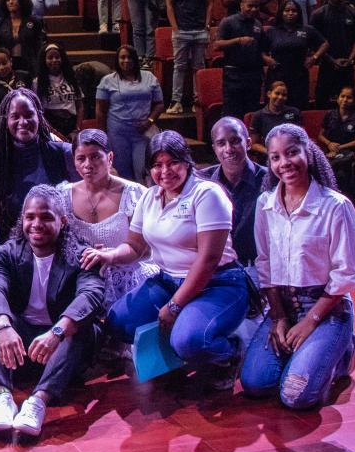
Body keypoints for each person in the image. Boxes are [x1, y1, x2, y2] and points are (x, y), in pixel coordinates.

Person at [84, 131, 251, 390]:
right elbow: (135, 246)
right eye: (157, 165)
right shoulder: (151, 196)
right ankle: (182, 347)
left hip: (217, 283)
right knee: (118, 321)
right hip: (167, 279)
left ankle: (229, 354)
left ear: (187, 161)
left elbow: (208, 260)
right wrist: (110, 254)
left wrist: (174, 306)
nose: (165, 171)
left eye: (172, 162)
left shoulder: (207, 194)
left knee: (190, 341)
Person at [240, 124, 355, 409]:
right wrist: (280, 317)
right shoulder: (265, 204)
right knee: (255, 384)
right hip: (284, 306)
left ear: (308, 151)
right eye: (275, 157)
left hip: (327, 309)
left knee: (295, 396)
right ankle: (310, 357)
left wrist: (311, 322)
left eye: (292, 153)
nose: (284, 164)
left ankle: (342, 354)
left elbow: (346, 275)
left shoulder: (336, 206)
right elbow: (265, 265)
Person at [0, 184, 105, 437]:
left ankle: (38, 401)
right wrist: (4, 327)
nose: (36, 224)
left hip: (60, 345)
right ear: (23, 219)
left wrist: (57, 332)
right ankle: (2, 396)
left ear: (62, 221)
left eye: (46, 217)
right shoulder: (8, 253)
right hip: (22, 341)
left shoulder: (81, 255)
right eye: (30, 217)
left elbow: (91, 295)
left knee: (83, 328)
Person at [57, 129, 156, 312]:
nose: (88, 165)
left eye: (95, 157)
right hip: (80, 281)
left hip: (128, 280)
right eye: (81, 159)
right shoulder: (62, 196)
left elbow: (145, 249)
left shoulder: (135, 194)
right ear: (74, 162)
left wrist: (112, 255)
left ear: (110, 158)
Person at [0, 88, 75, 233]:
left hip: (57, 240)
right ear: (6, 121)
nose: (23, 122)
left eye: (29, 115)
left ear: (39, 117)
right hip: (9, 246)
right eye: (15, 116)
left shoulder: (62, 153)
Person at [199, 117, 269, 274]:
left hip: (260, 268)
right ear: (214, 148)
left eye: (235, 141)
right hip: (216, 269)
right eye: (221, 143)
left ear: (249, 143)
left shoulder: (270, 180)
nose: (228, 149)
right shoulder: (202, 182)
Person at [163, 0, 217, 114]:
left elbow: (210, 4)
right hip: (181, 30)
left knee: (198, 67)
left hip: (200, 30)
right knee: (179, 66)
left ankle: (197, 101)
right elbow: (169, 5)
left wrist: (207, 25)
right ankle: (176, 101)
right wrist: (174, 27)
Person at [96, 45, 164, 182]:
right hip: (118, 134)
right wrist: (103, 135)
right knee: (122, 172)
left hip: (142, 132)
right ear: (117, 60)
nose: (126, 61)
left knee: (142, 169)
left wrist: (149, 121)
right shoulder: (107, 80)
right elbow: (100, 110)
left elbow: (159, 104)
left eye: (130, 57)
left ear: (135, 60)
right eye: (122, 57)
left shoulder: (149, 77)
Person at [213, 0, 270, 118]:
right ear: (242, 5)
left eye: (256, 7)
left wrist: (265, 57)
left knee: (251, 112)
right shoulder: (228, 22)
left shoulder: (258, 24)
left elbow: (261, 48)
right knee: (232, 111)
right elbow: (216, 45)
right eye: (250, 6)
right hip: (234, 75)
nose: (253, 9)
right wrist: (238, 40)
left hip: (253, 75)